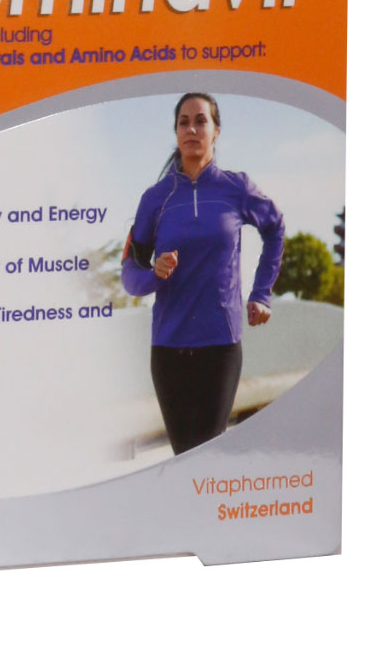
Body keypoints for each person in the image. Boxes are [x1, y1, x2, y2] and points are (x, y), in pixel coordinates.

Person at [121, 93, 285, 455]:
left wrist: (262, 292)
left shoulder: (236, 188)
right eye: (184, 122)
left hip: (220, 346)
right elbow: (130, 274)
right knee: (184, 458)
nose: (192, 129)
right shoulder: (155, 199)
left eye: (200, 121)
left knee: (208, 455)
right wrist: (155, 275)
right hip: (169, 350)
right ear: (176, 132)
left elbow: (274, 228)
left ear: (216, 131)